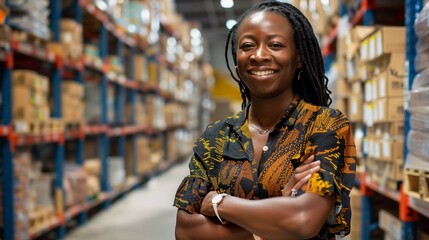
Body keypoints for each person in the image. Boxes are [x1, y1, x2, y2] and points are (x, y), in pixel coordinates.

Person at [173, 1, 356, 240]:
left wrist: (219, 202)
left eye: (276, 45)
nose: (259, 55)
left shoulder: (324, 126)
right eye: (248, 46)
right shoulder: (215, 138)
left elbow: (302, 220)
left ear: (298, 58)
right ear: (237, 62)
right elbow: (186, 231)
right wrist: (276, 217)